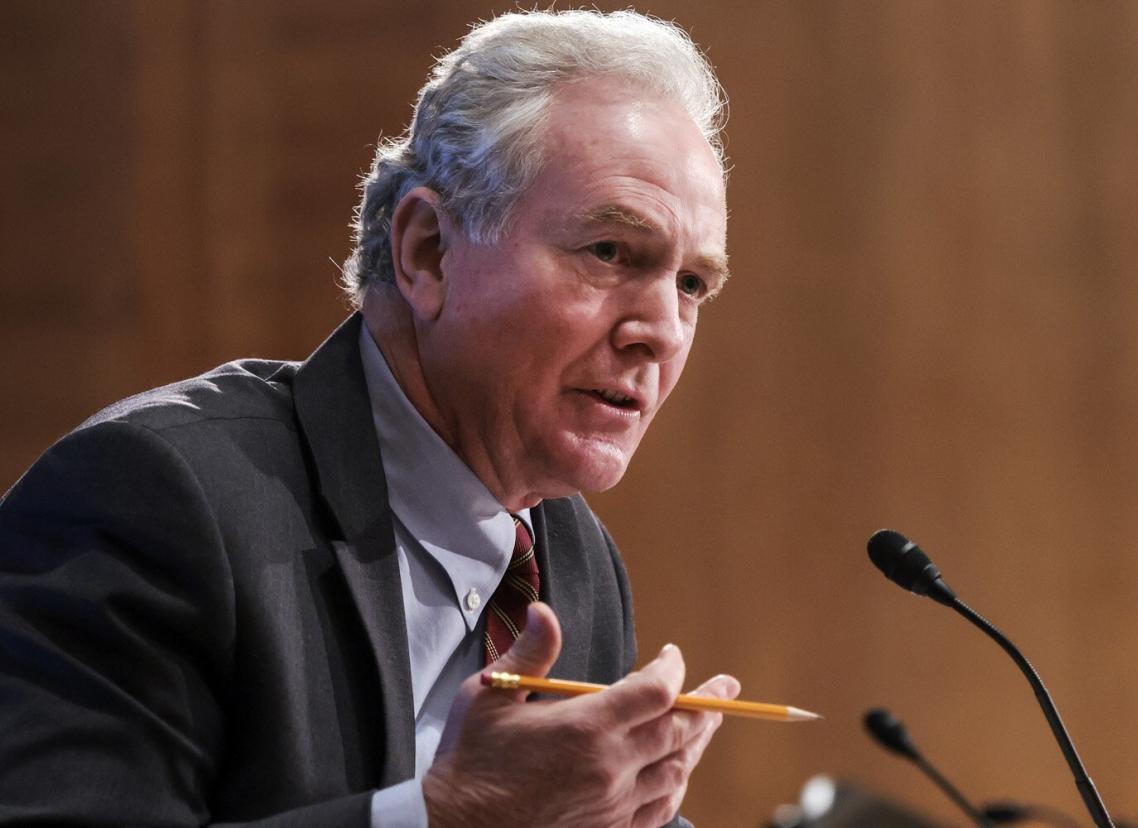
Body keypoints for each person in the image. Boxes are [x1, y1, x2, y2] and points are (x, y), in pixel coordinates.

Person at [0, 9, 737, 828]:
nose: (662, 331)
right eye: (609, 252)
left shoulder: (576, 558)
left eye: (692, 285)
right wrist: (447, 816)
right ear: (427, 252)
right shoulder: (156, 498)